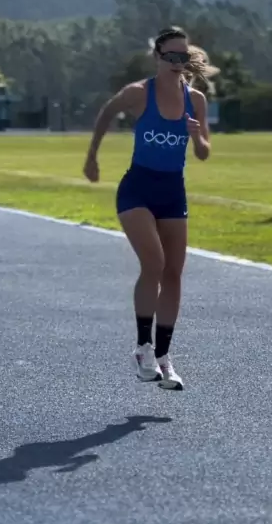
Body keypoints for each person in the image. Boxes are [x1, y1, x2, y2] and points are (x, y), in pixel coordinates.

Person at [83, 27, 217, 390]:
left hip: (173, 192)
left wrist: (196, 136)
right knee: (154, 264)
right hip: (137, 189)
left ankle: (164, 358)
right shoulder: (139, 93)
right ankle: (143, 347)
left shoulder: (196, 100)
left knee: (173, 274)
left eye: (182, 57)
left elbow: (204, 152)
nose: (177, 62)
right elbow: (107, 112)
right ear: (157, 57)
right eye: (170, 56)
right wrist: (92, 156)